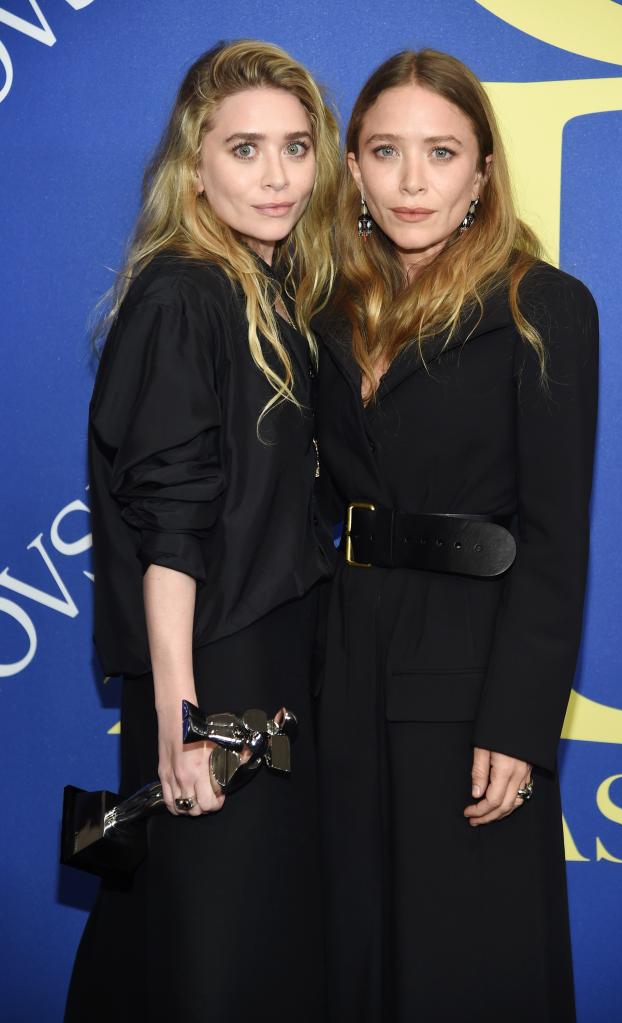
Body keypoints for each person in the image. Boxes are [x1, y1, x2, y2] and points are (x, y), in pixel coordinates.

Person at [314, 49, 598, 1022]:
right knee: (345, 951)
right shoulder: (323, 308)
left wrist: (519, 726)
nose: (411, 180)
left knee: (464, 960)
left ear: (482, 171)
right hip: (340, 664)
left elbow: (557, 537)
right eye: (385, 151)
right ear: (352, 168)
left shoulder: (543, 307)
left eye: (441, 153)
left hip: (470, 678)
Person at [65, 40, 339, 1023]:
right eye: (245, 149)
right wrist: (185, 718)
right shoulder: (186, 294)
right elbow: (170, 528)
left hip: (263, 656)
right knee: (216, 951)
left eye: (297, 148)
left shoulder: (263, 290)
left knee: (215, 938)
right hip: (216, 670)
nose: (277, 177)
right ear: (196, 163)